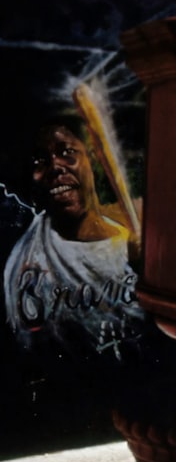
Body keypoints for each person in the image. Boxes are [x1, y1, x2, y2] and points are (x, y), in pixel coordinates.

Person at [3, 116, 144, 361]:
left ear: (91, 161)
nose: (56, 166)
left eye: (67, 152)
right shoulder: (23, 260)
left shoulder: (134, 246)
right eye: (40, 160)